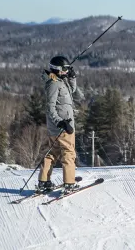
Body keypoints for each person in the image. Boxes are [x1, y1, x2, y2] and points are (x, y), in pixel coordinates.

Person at [37, 55, 78, 194]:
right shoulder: (54, 84)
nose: (67, 71)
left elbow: (70, 93)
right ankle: (69, 183)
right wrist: (60, 122)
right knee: (68, 153)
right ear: (58, 69)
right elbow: (50, 107)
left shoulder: (59, 81)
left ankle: (44, 181)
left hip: (59, 126)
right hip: (62, 127)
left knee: (52, 152)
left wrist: (72, 78)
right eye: (65, 69)